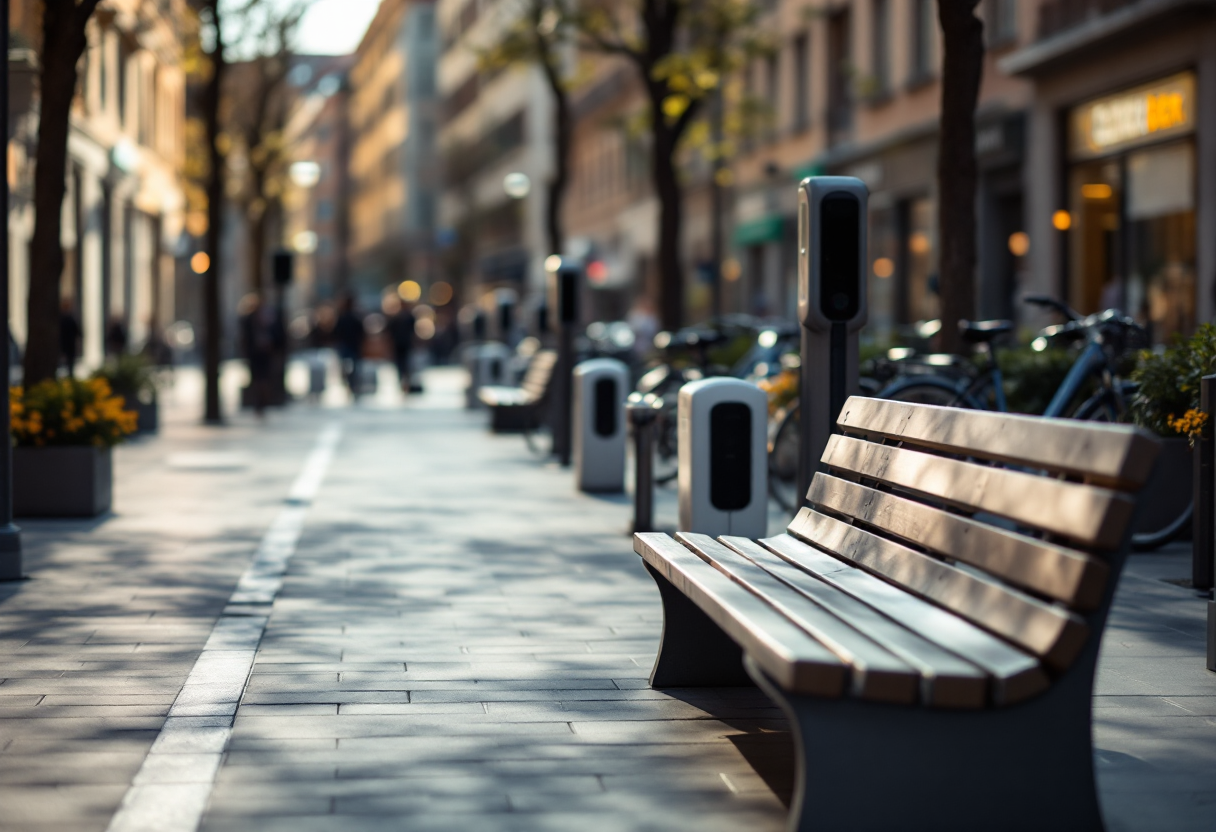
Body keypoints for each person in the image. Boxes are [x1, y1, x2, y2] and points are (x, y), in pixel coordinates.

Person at [239, 294, 277, 417]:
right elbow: (245, 338)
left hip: (264, 353)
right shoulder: (248, 320)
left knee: (264, 379)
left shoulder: (268, 319)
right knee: (257, 379)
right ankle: (259, 403)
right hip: (254, 354)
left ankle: (263, 402)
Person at [333, 293, 366, 399]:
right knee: (353, 368)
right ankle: (353, 386)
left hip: (347, 346)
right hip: (352, 346)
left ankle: (350, 385)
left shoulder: (342, 317)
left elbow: (336, 332)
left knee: (346, 367)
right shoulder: (355, 317)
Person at [383, 294, 416, 394]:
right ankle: (403, 383)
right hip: (400, 344)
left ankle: (405, 383)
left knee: (404, 364)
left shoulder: (404, 317)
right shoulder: (397, 317)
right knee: (402, 365)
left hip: (404, 344)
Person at [59, 300, 82, 375]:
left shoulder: (62, 319)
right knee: (69, 365)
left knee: (67, 365)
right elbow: (78, 333)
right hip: (69, 345)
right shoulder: (70, 319)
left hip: (65, 345)